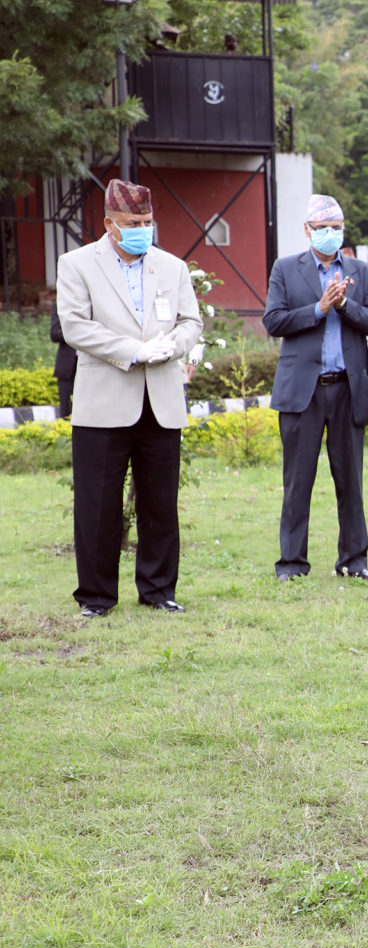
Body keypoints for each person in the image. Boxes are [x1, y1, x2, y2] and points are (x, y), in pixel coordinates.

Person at [55, 178, 202, 618]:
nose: (143, 228)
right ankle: (96, 598)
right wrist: (133, 351)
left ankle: (159, 590)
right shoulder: (78, 264)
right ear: (110, 224)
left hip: (160, 398)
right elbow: (75, 327)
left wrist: (170, 347)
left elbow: (190, 321)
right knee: (98, 504)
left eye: (147, 220)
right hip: (104, 401)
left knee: (160, 501)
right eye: (133, 222)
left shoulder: (171, 267)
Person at [262, 194, 368, 582]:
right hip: (302, 390)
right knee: (298, 481)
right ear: (307, 231)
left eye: (336, 228)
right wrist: (319, 308)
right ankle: (292, 563)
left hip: (348, 388)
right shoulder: (286, 269)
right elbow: (274, 321)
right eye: (322, 229)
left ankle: (354, 560)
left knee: (350, 480)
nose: (330, 235)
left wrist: (343, 305)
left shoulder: (361, 273)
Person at [49, 299, 77, 418]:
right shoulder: (60, 303)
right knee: (66, 411)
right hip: (67, 366)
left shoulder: (94, 301)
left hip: (92, 366)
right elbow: (55, 334)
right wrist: (79, 334)